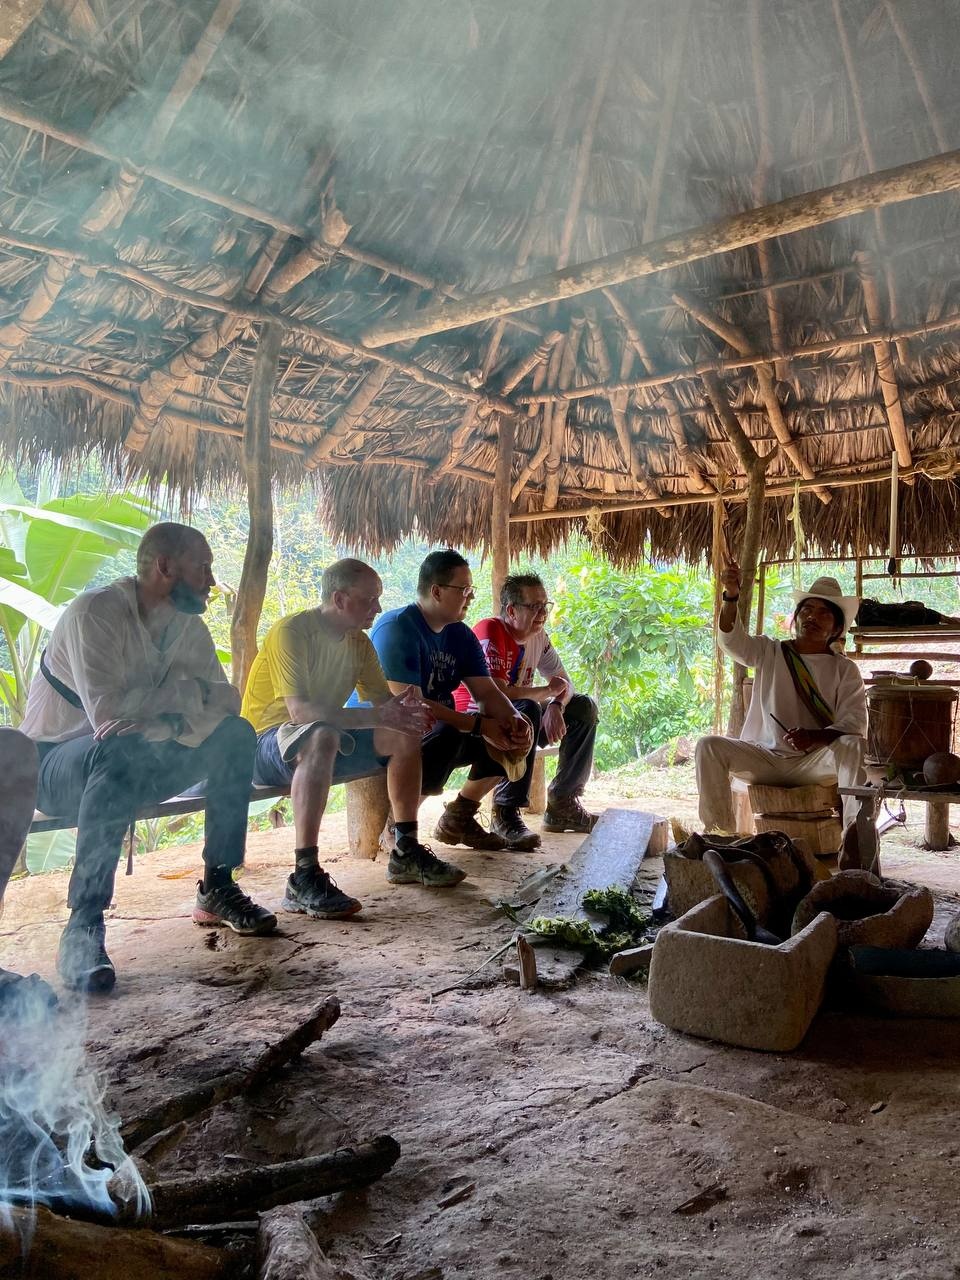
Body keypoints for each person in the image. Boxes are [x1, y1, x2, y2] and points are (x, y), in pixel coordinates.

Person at [20, 522, 275, 995]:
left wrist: (167, 723)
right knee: (117, 748)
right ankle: (84, 924)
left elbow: (228, 702)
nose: (211, 580)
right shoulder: (97, 613)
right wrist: (186, 698)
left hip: (143, 754)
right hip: (55, 765)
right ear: (164, 567)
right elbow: (108, 714)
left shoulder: (187, 626)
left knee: (236, 736)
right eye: (203, 567)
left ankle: (218, 885)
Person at [242, 557, 454, 902]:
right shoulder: (292, 632)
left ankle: (406, 849)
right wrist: (382, 715)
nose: (378, 608)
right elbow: (300, 712)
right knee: (321, 734)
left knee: (403, 733)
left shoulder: (358, 642)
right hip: (263, 744)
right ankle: (304, 874)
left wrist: (406, 712)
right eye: (370, 599)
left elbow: (383, 704)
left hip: (324, 739)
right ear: (339, 599)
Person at [371, 550, 534, 858]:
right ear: (436, 591)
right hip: (386, 733)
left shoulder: (460, 635)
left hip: (437, 727)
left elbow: (487, 693)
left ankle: (460, 815)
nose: (471, 596)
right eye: (464, 589)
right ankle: (396, 829)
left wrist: (515, 721)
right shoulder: (397, 628)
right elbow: (412, 705)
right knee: (445, 734)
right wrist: (479, 725)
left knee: (515, 722)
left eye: (471, 589)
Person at [695, 562, 867, 834]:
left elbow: (854, 725)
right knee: (709, 746)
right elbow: (731, 642)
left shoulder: (845, 670)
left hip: (814, 764)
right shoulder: (770, 651)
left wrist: (814, 737)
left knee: (853, 746)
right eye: (807, 609)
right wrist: (731, 596)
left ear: (836, 627)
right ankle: (721, 837)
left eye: (823, 613)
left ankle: (856, 837)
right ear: (796, 617)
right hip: (766, 758)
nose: (812, 617)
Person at [454, 573, 599, 848]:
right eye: (534, 606)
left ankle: (563, 803)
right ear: (511, 610)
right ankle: (505, 812)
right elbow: (496, 693)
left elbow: (565, 683)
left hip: (520, 718)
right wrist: (546, 694)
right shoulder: (491, 631)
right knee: (527, 708)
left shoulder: (538, 637)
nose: (542, 613)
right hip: (478, 722)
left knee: (583, 707)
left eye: (545, 606)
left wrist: (556, 705)